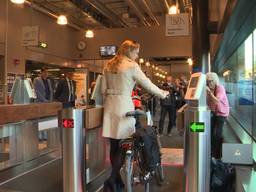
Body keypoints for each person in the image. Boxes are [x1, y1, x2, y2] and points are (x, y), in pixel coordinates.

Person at [101, 40, 168, 191]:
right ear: (129, 51)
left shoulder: (108, 65)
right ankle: (111, 181)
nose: (137, 55)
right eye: (136, 52)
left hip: (109, 107)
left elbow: (103, 90)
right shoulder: (131, 66)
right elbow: (148, 84)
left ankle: (115, 181)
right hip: (123, 106)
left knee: (113, 146)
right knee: (124, 146)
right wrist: (163, 94)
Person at [206, 72, 229, 159]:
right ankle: (211, 152)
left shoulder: (220, 88)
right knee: (210, 132)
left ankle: (216, 155)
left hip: (222, 113)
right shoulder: (210, 89)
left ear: (215, 81)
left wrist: (210, 93)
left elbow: (216, 101)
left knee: (217, 134)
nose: (209, 83)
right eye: (207, 82)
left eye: (210, 81)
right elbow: (208, 103)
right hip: (214, 112)